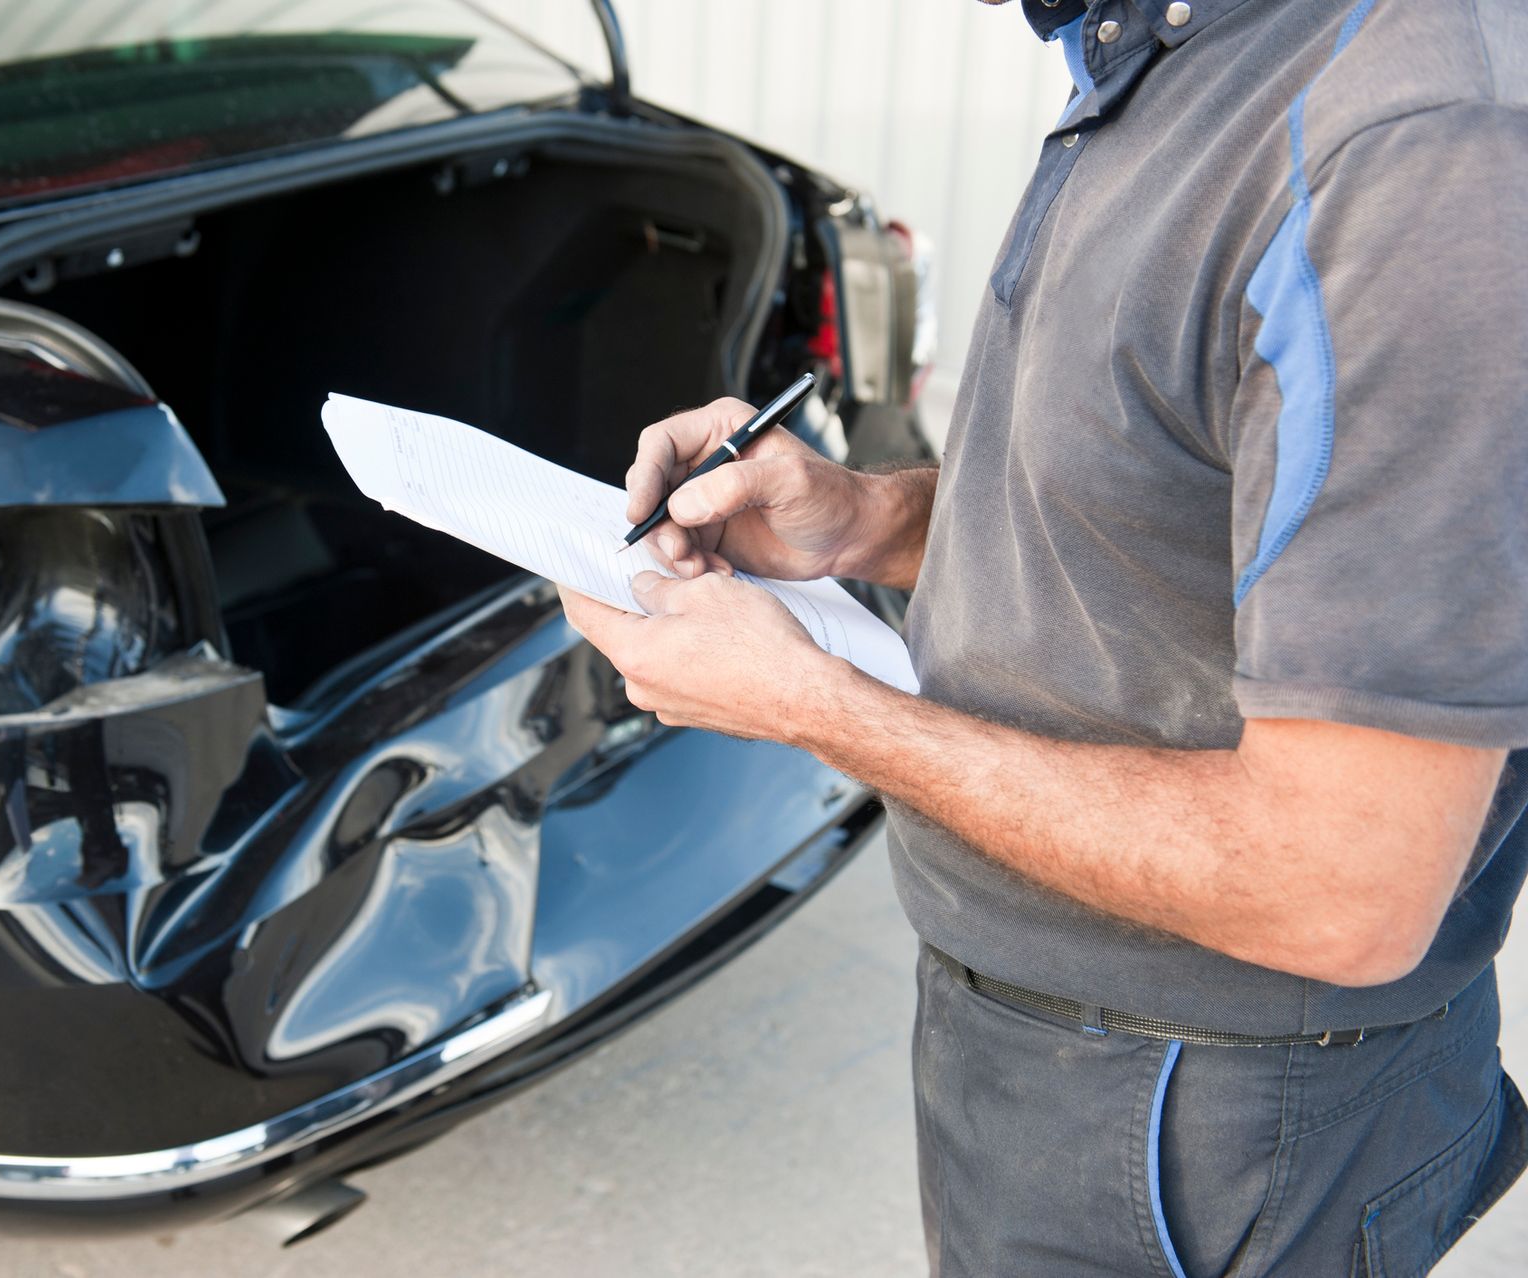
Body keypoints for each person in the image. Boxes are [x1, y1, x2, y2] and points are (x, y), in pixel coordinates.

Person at [559, 0, 1528, 1273]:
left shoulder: (1413, 148)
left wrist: (823, 706)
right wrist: (863, 521)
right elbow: (1169, 507)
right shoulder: (1168, 46)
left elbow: (1340, 890)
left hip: (1207, 1106)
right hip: (1052, 1044)